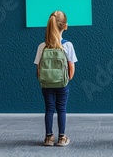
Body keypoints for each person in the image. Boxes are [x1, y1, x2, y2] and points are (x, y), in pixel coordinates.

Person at [33, 11, 77, 146]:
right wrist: (67, 79)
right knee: (61, 108)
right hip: (62, 83)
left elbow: (38, 68)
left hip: (46, 83)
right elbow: (71, 67)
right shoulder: (67, 45)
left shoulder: (42, 46)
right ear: (65, 26)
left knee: (49, 108)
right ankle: (62, 138)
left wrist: (43, 79)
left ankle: (48, 138)